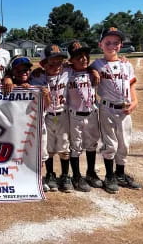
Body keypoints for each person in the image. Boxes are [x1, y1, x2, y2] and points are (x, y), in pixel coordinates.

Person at [91, 27, 142, 193]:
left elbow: (131, 85)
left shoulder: (126, 65)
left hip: (125, 109)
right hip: (107, 109)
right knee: (110, 143)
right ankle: (109, 175)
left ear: (121, 45)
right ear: (100, 44)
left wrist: (135, 101)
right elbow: (82, 69)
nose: (112, 45)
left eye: (116, 42)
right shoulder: (97, 64)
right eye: (108, 42)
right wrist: (92, 70)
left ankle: (120, 174)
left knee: (124, 143)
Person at [30, 44, 72, 193]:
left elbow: (83, 67)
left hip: (63, 115)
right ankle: (49, 174)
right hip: (47, 116)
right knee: (48, 146)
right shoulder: (37, 77)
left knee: (64, 146)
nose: (56, 65)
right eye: (51, 62)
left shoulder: (68, 71)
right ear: (43, 64)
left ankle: (66, 175)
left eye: (59, 61)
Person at [66, 41, 102, 192]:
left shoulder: (92, 71)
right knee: (76, 146)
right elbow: (50, 69)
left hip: (92, 113)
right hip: (75, 116)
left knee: (92, 144)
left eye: (86, 55)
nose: (84, 59)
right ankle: (76, 175)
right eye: (78, 56)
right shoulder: (66, 73)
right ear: (71, 60)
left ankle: (91, 172)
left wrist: (93, 70)